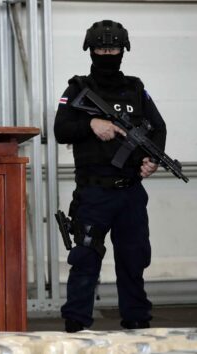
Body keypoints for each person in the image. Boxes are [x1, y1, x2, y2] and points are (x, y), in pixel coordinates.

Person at [54, 20, 166, 332]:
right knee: (86, 259)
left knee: (133, 260)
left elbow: (158, 128)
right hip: (93, 193)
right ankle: (76, 325)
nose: (107, 53)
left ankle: (137, 321)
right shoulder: (77, 89)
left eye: (113, 48)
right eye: (101, 48)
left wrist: (152, 159)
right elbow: (60, 129)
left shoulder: (136, 89)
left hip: (130, 192)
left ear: (123, 50)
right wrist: (90, 125)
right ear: (90, 50)